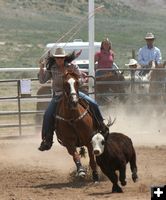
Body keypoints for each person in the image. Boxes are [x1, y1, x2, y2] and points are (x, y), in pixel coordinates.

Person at [38, 47, 109, 151]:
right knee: (47, 114)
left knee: (93, 103)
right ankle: (47, 139)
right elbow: (42, 80)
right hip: (58, 95)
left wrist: (79, 82)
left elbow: (80, 78)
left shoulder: (72, 66)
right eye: (57, 58)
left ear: (65, 58)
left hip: (73, 93)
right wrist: (41, 68)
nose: (59, 60)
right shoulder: (52, 68)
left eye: (61, 58)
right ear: (55, 59)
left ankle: (101, 125)